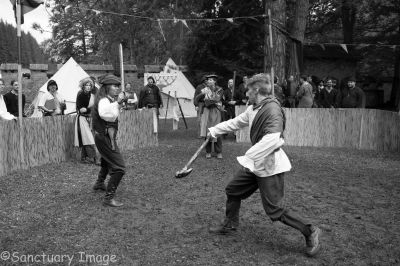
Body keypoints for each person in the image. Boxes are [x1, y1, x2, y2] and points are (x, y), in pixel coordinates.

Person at [207, 73, 322, 257]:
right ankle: (230, 224)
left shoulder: (272, 110)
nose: (246, 94)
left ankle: (310, 231)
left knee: (274, 210)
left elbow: (273, 139)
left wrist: (248, 157)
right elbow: (237, 122)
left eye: (248, 91)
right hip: (256, 163)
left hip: (269, 164)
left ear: (257, 90)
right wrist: (215, 130)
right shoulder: (254, 108)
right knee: (233, 190)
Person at [92, 74, 128, 207]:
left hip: (104, 136)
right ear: (107, 87)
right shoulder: (103, 100)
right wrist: (118, 103)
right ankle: (108, 198)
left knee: (106, 161)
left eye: (118, 86)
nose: (118, 88)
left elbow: (112, 114)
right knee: (119, 167)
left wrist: (118, 104)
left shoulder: (107, 99)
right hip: (104, 137)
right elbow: (105, 115)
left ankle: (99, 183)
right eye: (115, 86)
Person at [195, 74, 224, 159]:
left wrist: (207, 102)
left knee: (217, 131)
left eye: (211, 80)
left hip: (216, 111)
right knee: (207, 131)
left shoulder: (219, 89)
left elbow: (217, 99)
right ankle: (208, 151)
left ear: (215, 81)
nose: (208, 81)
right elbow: (196, 99)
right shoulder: (204, 90)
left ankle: (218, 151)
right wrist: (202, 95)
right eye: (208, 80)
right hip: (207, 111)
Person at [74, 77, 99, 165]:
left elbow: (92, 108)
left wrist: (88, 109)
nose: (88, 87)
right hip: (82, 118)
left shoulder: (91, 95)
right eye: (86, 85)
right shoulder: (80, 94)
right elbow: (81, 110)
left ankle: (84, 158)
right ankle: (95, 159)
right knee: (89, 138)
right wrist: (88, 109)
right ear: (83, 86)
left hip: (89, 118)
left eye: (89, 85)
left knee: (87, 138)